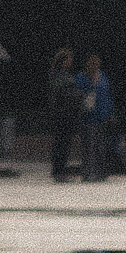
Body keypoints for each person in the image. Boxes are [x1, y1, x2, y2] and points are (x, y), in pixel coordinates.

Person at [45, 47, 83, 182]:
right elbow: (61, 95)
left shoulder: (61, 75)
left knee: (63, 144)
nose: (70, 62)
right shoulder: (59, 76)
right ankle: (58, 171)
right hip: (62, 115)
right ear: (63, 61)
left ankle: (59, 170)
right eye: (68, 60)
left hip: (66, 114)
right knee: (61, 144)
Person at [79, 52, 115, 181]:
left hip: (102, 115)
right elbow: (80, 96)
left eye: (96, 63)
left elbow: (107, 95)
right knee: (89, 146)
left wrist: (110, 112)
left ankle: (101, 172)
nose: (95, 66)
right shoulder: (82, 77)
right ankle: (88, 172)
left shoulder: (103, 76)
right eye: (92, 63)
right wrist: (91, 84)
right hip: (89, 117)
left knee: (101, 145)